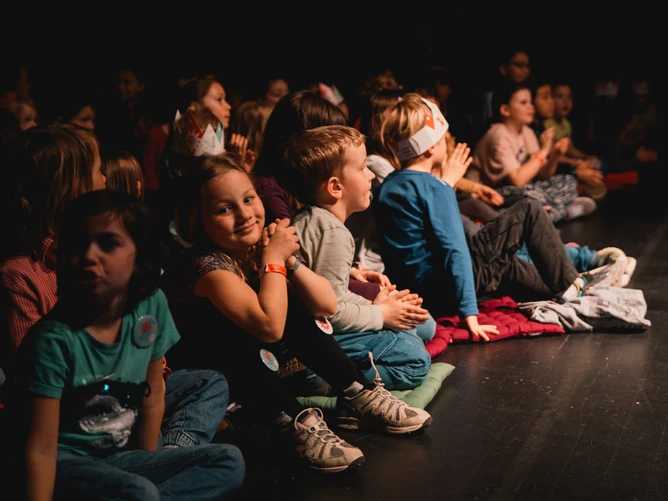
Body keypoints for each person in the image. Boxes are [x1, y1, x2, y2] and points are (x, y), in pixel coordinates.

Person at [160, 153, 432, 472]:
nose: (245, 214)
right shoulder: (206, 266)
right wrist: (274, 260)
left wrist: (289, 261)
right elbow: (269, 327)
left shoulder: (257, 248)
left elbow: (325, 305)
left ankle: (358, 394)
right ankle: (293, 422)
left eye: (249, 199)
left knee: (295, 301)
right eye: (224, 209)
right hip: (214, 378)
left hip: (270, 365)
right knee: (240, 330)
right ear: (197, 221)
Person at [4, 189, 245, 501]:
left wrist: (150, 462)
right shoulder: (54, 339)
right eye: (78, 244)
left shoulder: (151, 305)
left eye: (108, 244)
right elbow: (40, 447)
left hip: (119, 455)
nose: (89, 256)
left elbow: (153, 393)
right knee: (140, 491)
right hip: (67, 462)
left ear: (139, 258)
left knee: (228, 461)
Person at [373, 94, 615, 341]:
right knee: (529, 209)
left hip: (423, 291)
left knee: (506, 262)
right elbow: (454, 249)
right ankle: (569, 283)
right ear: (432, 146)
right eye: (444, 137)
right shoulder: (434, 187)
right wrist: (469, 313)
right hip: (444, 291)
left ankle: (569, 287)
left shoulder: (390, 185)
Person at [282, 125, 435, 390]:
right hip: (311, 348)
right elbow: (331, 312)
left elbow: (334, 293)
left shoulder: (315, 220)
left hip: (314, 334)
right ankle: (327, 381)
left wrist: (375, 303)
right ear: (335, 187)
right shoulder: (332, 231)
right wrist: (380, 314)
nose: (371, 174)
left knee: (419, 327)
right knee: (416, 359)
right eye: (363, 168)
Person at [466, 81, 596, 224]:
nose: (531, 107)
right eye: (523, 103)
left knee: (568, 181)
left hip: (525, 189)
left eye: (530, 102)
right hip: (494, 194)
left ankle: (548, 212)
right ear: (505, 110)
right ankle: (560, 212)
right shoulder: (498, 134)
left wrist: (555, 155)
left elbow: (543, 175)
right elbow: (517, 180)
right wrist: (544, 150)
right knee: (530, 196)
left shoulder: (527, 132)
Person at [543, 79, 608, 200]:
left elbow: (571, 149)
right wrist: (577, 162)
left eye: (569, 97)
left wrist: (584, 157)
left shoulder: (566, 124)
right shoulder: (548, 124)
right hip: (557, 166)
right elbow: (554, 155)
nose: (565, 101)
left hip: (568, 161)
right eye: (560, 96)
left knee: (599, 163)